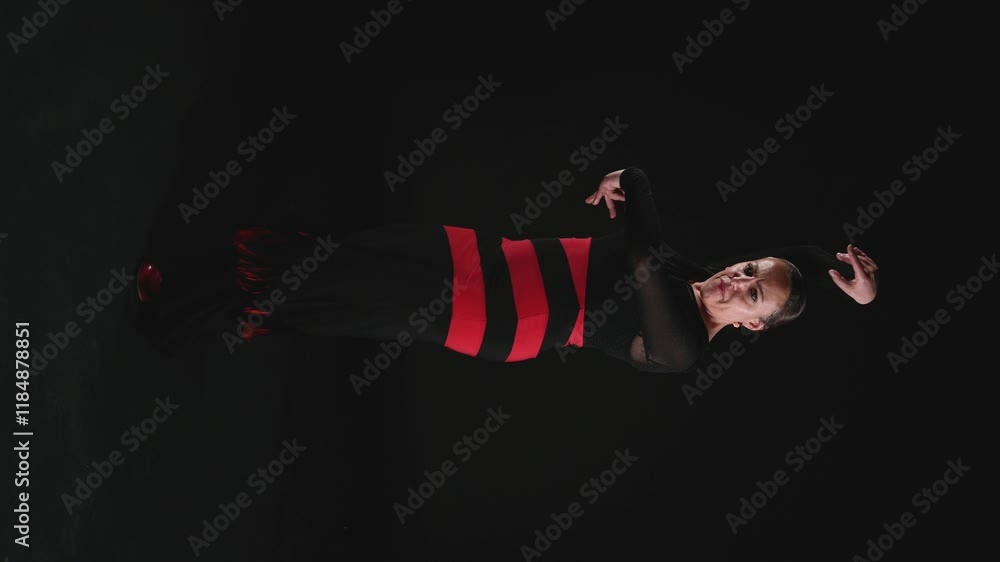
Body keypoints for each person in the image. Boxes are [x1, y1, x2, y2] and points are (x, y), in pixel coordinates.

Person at [134, 167, 879, 372]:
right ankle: (201, 287)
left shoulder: (683, 342)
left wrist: (636, 178)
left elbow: (641, 254)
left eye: (751, 291)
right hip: (483, 257)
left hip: (488, 315)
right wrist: (836, 274)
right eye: (747, 266)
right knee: (343, 257)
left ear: (751, 323)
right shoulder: (698, 274)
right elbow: (789, 272)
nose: (736, 279)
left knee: (337, 287)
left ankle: (178, 315)